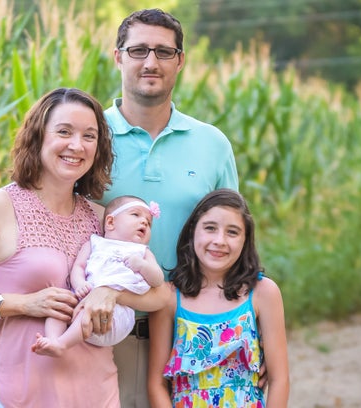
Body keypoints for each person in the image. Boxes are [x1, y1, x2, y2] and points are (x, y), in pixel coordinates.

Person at [0, 87, 170, 408]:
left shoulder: (104, 219)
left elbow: (161, 295)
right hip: (16, 394)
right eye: (64, 132)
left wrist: (112, 294)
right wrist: (23, 304)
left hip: (98, 394)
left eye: (89, 136)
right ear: (38, 136)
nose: (77, 145)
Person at [98, 8, 240, 408]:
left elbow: (233, 240)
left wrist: (253, 328)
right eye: (138, 49)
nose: (150, 62)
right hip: (101, 333)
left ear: (180, 61)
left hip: (190, 337)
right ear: (118, 57)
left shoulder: (213, 144)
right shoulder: (88, 137)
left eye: (163, 52)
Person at [147, 189, 289, 407]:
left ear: (245, 239)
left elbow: (279, 380)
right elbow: (156, 384)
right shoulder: (168, 298)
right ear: (193, 230)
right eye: (210, 228)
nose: (219, 240)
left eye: (232, 232)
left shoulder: (263, 292)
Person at [32, 195, 164, 357]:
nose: (144, 222)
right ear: (110, 222)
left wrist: (143, 266)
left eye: (148, 222)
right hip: (86, 298)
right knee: (60, 307)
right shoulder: (94, 244)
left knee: (86, 311)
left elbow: (157, 280)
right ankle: (52, 339)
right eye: (135, 215)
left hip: (117, 313)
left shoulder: (142, 252)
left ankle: (62, 344)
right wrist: (79, 283)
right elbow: (79, 267)